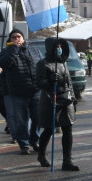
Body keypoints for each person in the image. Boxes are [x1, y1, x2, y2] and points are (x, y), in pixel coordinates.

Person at [35, 37, 79, 171]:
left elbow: (69, 81)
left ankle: (67, 160)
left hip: (66, 98)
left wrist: (74, 98)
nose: (59, 49)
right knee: (48, 129)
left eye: (61, 46)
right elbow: (38, 83)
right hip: (50, 99)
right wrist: (49, 80)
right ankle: (41, 154)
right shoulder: (42, 64)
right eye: (56, 46)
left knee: (68, 129)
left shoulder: (63, 63)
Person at [0, 29, 39, 154]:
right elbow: (3, 64)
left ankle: (35, 140)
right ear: (10, 40)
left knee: (38, 118)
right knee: (20, 120)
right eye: (13, 37)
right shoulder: (6, 52)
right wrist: (14, 49)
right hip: (17, 92)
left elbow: (41, 65)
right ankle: (24, 144)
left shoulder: (33, 50)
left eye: (18, 37)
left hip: (35, 90)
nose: (16, 39)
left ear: (23, 38)